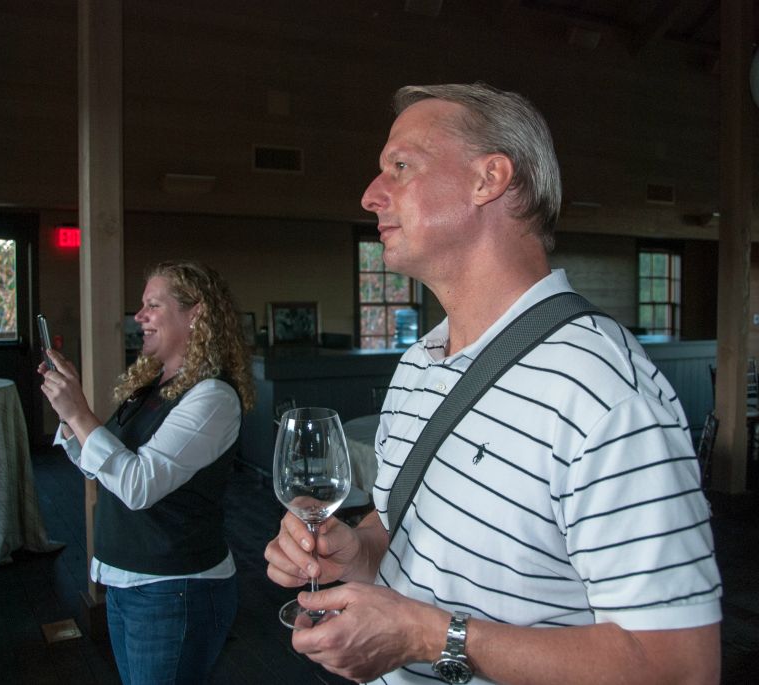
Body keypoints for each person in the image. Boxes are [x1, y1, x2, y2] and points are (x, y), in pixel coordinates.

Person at [264, 83, 722, 684]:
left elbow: (681, 667)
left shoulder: (601, 388)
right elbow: (401, 525)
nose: (371, 194)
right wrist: (359, 551)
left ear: (490, 179)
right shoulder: (419, 363)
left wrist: (428, 637)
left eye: (400, 167)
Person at [40, 261, 254, 685]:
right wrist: (68, 418)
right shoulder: (153, 385)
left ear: (195, 314)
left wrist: (80, 413)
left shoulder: (212, 396)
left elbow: (138, 486)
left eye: (153, 305)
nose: (138, 316)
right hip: (129, 583)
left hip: (175, 589)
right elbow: (106, 470)